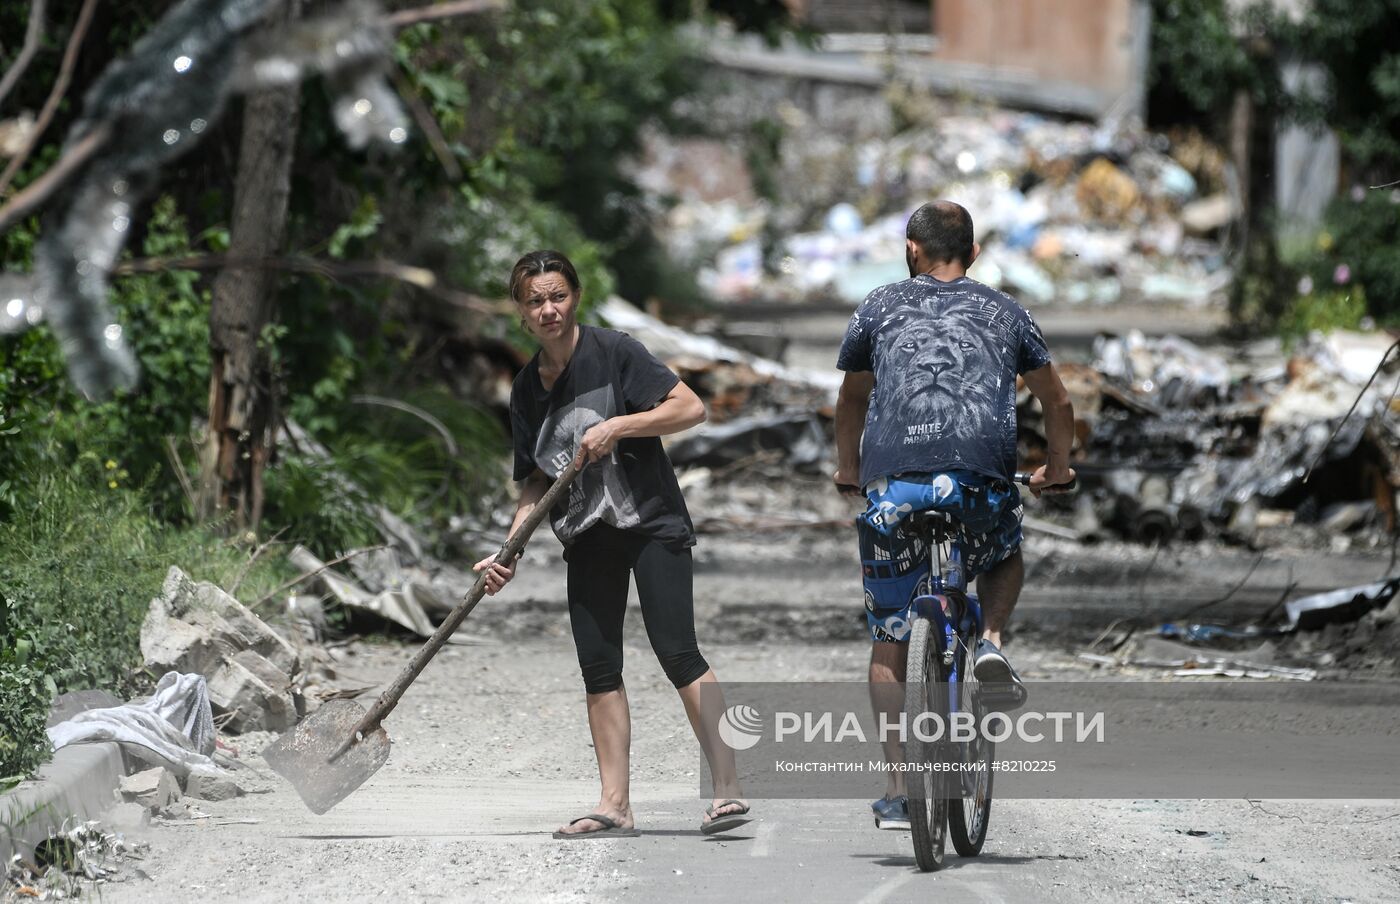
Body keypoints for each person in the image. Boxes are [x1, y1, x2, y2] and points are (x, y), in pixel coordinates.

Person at [474, 249, 750, 839]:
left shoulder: (615, 352)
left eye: (558, 296)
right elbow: (535, 480)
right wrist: (509, 551)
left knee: (678, 651)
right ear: (520, 313)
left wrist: (618, 425)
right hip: (587, 533)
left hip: (651, 522)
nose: (549, 309)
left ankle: (727, 788)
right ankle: (615, 805)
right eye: (535, 301)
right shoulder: (526, 389)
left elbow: (690, 407)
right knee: (598, 668)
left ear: (574, 298)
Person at [832, 201, 1076, 829]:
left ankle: (896, 788)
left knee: (891, 633)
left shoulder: (878, 306)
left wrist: (848, 469)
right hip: (977, 481)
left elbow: (852, 398)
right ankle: (991, 643)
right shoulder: (1007, 310)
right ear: (973, 253)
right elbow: (1058, 399)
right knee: (1003, 548)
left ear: (913, 248)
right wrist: (1056, 466)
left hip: (896, 490)